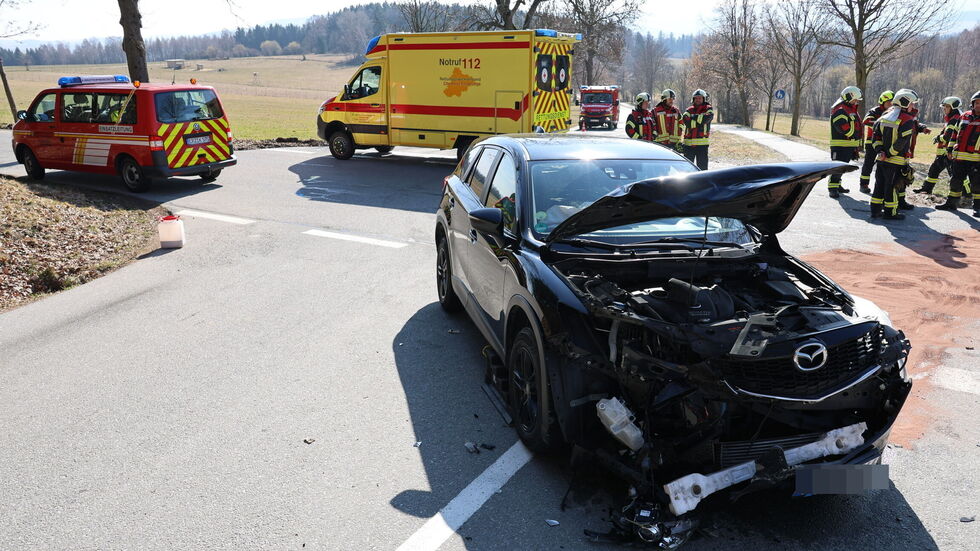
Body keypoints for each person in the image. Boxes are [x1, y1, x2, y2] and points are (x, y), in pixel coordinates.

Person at [870, 89, 919, 220]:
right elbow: (902, 142)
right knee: (892, 187)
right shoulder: (907, 120)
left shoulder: (884, 116)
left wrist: (881, 152)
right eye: (911, 104)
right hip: (895, 161)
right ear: (905, 103)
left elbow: (875, 138)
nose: (913, 106)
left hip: (881, 159)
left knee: (878, 185)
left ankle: (875, 211)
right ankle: (890, 213)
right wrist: (890, 154)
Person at [937, 90, 980, 216]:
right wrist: (950, 150)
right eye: (976, 103)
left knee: (977, 184)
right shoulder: (965, 116)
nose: (978, 105)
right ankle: (951, 203)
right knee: (955, 181)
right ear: (972, 103)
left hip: (977, 159)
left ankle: (978, 207)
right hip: (959, 158)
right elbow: (955, 134)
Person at [914, 96, 963, 195]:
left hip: (949, 154)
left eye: (946, 107)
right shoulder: (952, 118)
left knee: (956, 175)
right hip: (943, 154)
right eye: (944, 107)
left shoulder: (955, 119)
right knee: (933, 171)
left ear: (953, 108)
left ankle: (967, 195)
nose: (944, 109)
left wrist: (937, 138)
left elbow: (947, 137)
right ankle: (926, 189)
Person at [828, 86, 863, 198]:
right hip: (840, 145)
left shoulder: (850, 109)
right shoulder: (840, 109)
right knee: (837, 167)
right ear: (849, 97)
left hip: (847, 145)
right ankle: (832, 188)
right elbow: (841, 126)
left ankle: (837, 185)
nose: (856, 102)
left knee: (842, 167)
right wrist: (852, 135)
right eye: (855, 99)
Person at [859, 90, 894, 193]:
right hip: (871, 142)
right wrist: (880, 124)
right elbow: (866, 121)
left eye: (892, 102)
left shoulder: (893, 113)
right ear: (882, 102)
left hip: (884, 144)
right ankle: (864, 184)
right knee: (868, 164)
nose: (890, 104)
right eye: (888, 102)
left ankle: (880, 187)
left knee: (882, 166)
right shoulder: (874, 111)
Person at [681, 89, 713, 170]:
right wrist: (700, 121)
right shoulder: (689, 110)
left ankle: (703, 183)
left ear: (704, 99)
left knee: (702, 169)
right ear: (693, 99)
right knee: (687, 169)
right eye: (696, 98)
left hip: (702, 146)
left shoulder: (708, 108)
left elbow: (707, 119)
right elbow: (686, 121)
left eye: (700, 98)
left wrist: (693, 117)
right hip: (689, 145)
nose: (698, 100)